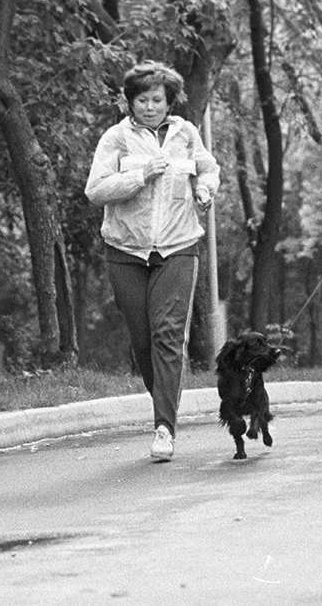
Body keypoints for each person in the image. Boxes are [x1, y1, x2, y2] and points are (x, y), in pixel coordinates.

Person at [85, 60, 220, 462]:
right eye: (142, 100)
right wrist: (140, 175)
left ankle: (164, 427)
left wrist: (205, 190)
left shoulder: (186, 133)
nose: (149, 107)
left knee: (168, 335)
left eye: (157, 100)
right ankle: (164, 399)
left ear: (169, 101)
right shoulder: (116, 138)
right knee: (143, 341)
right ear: (130, 101)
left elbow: (208, 169)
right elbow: (95, 190)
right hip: (126, 250)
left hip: (178, 246)